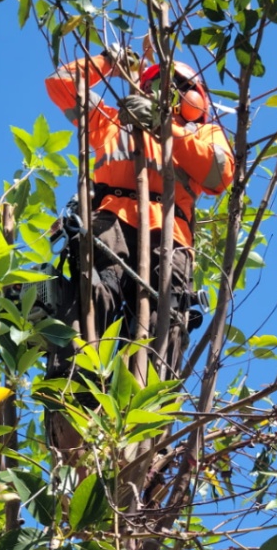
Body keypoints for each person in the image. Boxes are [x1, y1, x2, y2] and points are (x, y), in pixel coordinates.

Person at [43, 51, 234, 376]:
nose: (162, 91)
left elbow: (220, 173)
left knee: (165, 315)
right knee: (94, 291)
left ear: (194, 97)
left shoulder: (201, 133)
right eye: (155, 83)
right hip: (110, 220)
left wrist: (164, 127)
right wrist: (109, 61)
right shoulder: (112, 122)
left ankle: (144, 398)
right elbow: (60, 84)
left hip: (170, 233)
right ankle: (73, 384)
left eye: (175, 85)